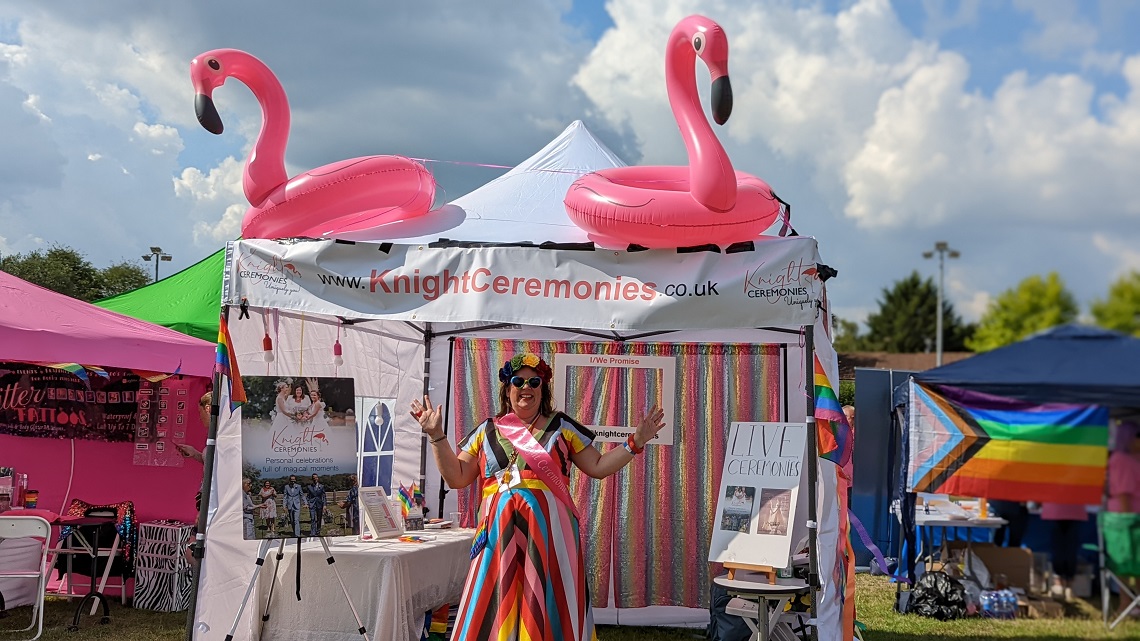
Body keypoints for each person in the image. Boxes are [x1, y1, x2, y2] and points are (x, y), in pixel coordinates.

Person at [412, 352, 665, 641]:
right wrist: (436, 436)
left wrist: (635, 442)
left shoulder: (562, 427)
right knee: (496, 594)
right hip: (499, 532)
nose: (526, 387)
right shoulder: (487, 430)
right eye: (518, 381)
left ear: (542, 389)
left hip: (548, 536)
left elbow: (598, 467)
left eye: (535, 381)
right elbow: (456, 477)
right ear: (507, 389)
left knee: (545, 597)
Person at [1040, 502, 1087, 600]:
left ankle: (1065, 584)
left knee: (1064, 549)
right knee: (1064, 549)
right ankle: (1063, 583)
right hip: (1066, 510)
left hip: (1064, 510)